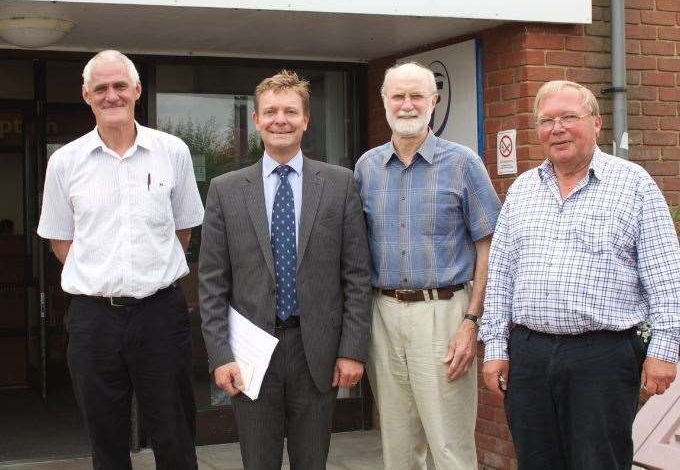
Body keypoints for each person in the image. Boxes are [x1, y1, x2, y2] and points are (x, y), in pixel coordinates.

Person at [480, 80, 680, 470]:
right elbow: (501, 276)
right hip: (529, 356)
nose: (557, 128)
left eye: (569, 117)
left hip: (602, 357)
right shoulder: (522, 189)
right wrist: (496, 349)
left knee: (598, 462)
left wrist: (664, 351)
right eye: (546, 120)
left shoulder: (634, 185)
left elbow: (667, 277)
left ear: (596, 123)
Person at [37, 50, 204, 470]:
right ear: (86, 95)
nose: (111, 95)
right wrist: (103, 273)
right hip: (94, 319)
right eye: (101, 88)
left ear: (137, 90)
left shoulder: (173, 152)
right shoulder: (65, 162)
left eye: (119, 86)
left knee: (175, 433)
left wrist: (148, 272)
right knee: (106, 439)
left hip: (160, 314)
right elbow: (61, 240)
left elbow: (182, 231)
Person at [198, 70, 371, 469]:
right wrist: (220, 355)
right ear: (256, 120)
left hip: (318, 354)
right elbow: (211, 284)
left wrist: (351, 350)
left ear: (306, 120)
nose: (281, 119)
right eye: (271, 111)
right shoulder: (226, 190)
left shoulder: (339, 184)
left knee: (312, 462)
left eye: (291, 111)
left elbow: (357, 275)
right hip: (250, 355)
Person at [355, 62, 501, 469]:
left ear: (434, 101)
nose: (407, 105)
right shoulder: (366, 168)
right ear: (384, 101)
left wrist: (471, 322)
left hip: (445, 314)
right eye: (398, 96)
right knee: (399, 447)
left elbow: (489, 246)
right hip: (381, 315)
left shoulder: (462, 163)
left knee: (450, 446)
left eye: (416, 96)